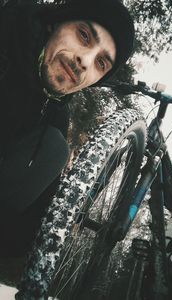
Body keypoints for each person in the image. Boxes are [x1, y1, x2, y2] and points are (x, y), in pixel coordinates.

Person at [0, 0, 135, 256]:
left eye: (101, 64)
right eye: (84, 35)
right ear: (56, 22)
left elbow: (22, 236)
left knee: (54, 148)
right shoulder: (6, 27)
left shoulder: (54, 118)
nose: (85, 61)